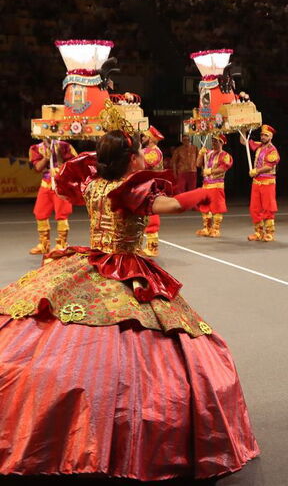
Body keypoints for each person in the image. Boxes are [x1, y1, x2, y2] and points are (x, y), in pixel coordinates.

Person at [0, 131, 259, 479]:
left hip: (91, 261)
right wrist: (205, 193)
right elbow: (170, 205)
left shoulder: (93, 184)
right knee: (140, 341)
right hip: (126, 269)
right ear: (132, 159)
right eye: (138, 153)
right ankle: (117, 436)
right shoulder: (130, 188)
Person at [27, 138, 78, 254]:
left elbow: (74, 164)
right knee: (40, 213)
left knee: (62, 214)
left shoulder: (65, 146)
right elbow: (38, 168)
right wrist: (46, 158)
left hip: (61, 185)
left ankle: (62, 244)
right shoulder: (36, 148)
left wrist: (60, 161)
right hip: (46, 184)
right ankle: (43, 244)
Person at [240, 124, 280, 241]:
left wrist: (256, 171)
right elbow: (243, 141)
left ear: (270, 137)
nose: (263, 137)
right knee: (255, 207)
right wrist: (243, 129)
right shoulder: (259, 146)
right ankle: (258, 232)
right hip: (257, 181)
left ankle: (269, 233)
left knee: (268, 207)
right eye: (262, 135)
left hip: (268, 181)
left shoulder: (273, 150)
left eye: (265, 135)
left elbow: (269, 166)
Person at [196, 134, 232, 237]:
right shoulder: (208, 153)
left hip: (216, 184)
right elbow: (198, 164)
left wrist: (210, 171)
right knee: (205, 207)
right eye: (212, 141)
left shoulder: (225, 155)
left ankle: (216, 229)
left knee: (217, 207)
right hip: (206, 184)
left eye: (216, 141)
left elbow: (223, 168)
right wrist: (200, 154)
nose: (213, 143)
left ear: (221, 143)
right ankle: (206, 228)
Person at [140, 126, 165, 256]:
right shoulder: (145, 150)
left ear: (150, 138)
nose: (142, 138)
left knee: (151, 216)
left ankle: (152, 247)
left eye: (144, 136)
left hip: (151, 188)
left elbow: (144, 163)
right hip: (143, 187)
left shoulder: (154, 152)